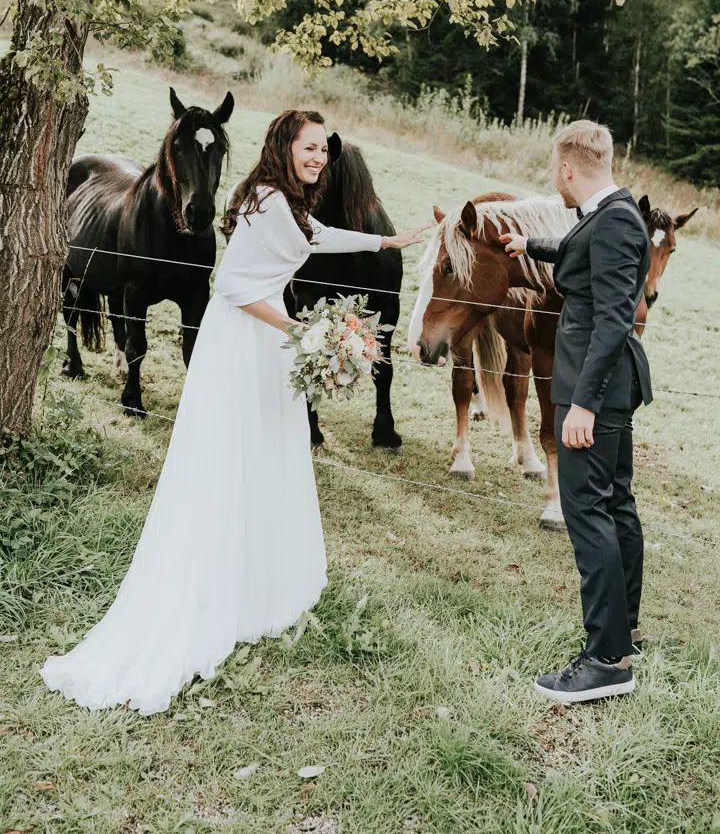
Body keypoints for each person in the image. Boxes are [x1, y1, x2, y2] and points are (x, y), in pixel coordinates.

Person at [41, 109, 428, 715]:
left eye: (324, 150)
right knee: (235, 456)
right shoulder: (272, 199)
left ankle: (257, 578)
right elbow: (233, 288)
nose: (319, 157)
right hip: (245, 337)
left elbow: (317, 237)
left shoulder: (282, 198)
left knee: (266, 452)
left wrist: (387, 240)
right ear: (284, 146)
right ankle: (227, 585)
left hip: (260, 341)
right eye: (309, 147)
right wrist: (304, 328)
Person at [501, 120, 652, 704]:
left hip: (596, 388)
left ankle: (606, 661)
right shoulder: (610, 212)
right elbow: (579, 253)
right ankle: (626, 631)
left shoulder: (613, 220)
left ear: (567, 168)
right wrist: (530, 245)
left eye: (553, 169)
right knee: (615, 504)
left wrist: (582, 403)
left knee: (586, 509)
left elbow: (615, 317)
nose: (554, 179)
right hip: (606, 385)